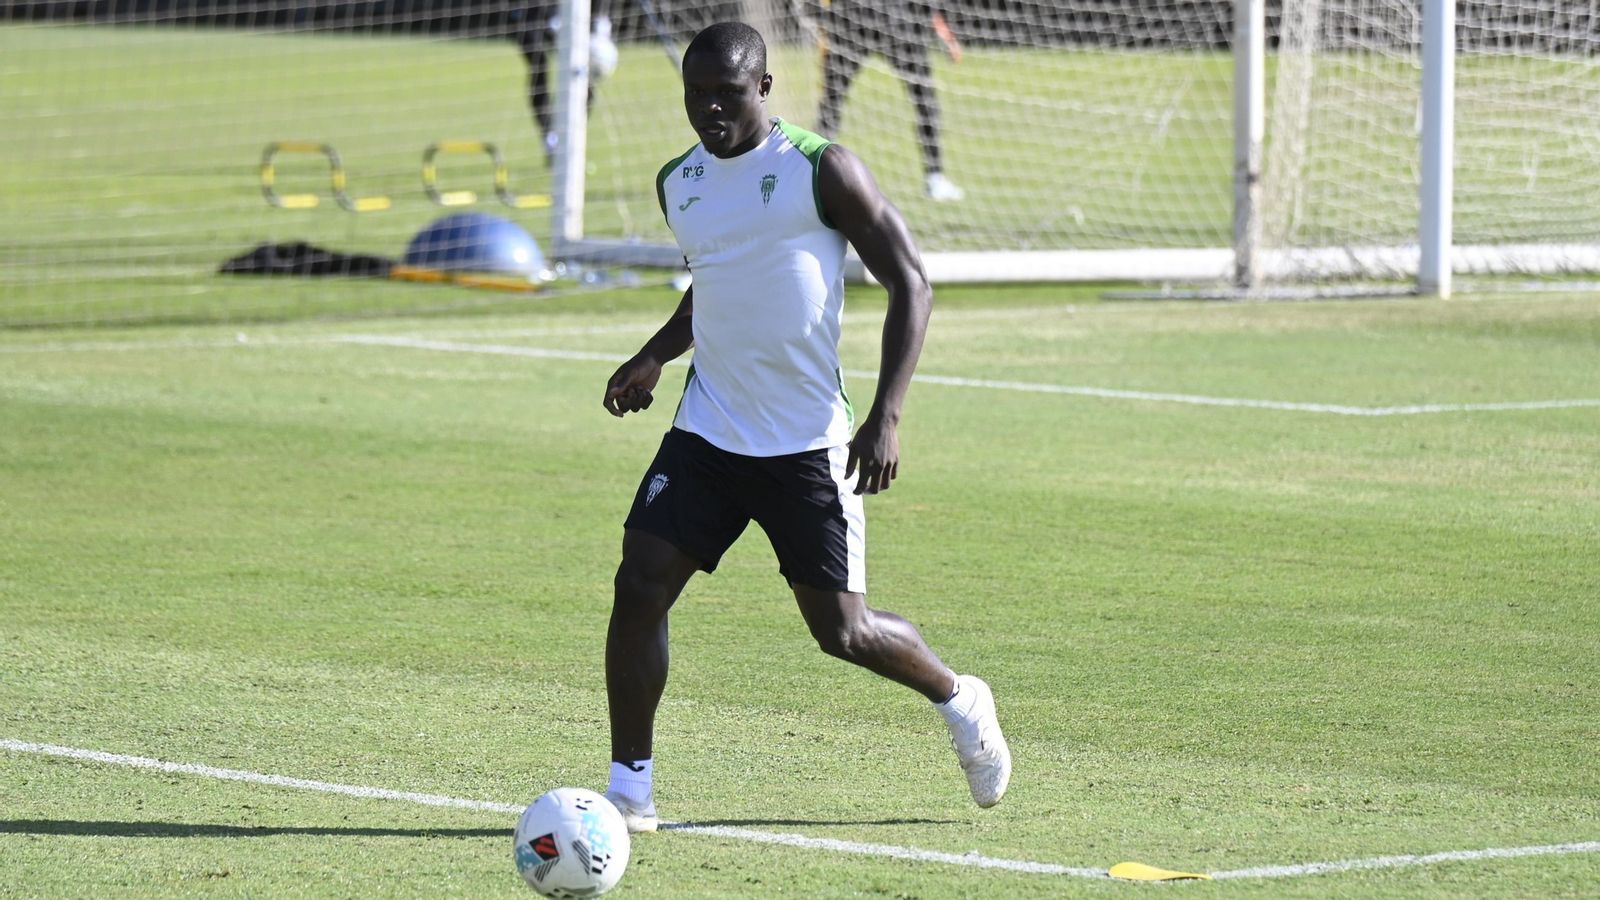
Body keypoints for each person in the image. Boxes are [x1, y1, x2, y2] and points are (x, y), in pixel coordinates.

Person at [598, 21, 1009, 833]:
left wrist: (886, 417)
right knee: (639, 584)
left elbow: (912, 282)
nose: (709, 109)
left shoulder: (822, 171)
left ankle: (960, 698)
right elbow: (716, 280)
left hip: (806, 446)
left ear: (763, 90)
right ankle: (629, 788)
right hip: (709, 432)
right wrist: (653, 356)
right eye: (695, 94)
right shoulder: (677, 182)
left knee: (844, 632)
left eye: (726, 92)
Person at [816, 0, 965, 201]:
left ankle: (935, 177)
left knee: (832, 99)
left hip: (861, 22)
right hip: (882, 22)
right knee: (833, 99)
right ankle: (935, 177)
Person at [513, 0, 618, 163]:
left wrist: (600, 24)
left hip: (579, 15)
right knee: (538, 64)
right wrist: (552, 17)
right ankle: (550, 137)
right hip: (537, 13)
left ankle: (571, 141)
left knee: (583, 75)